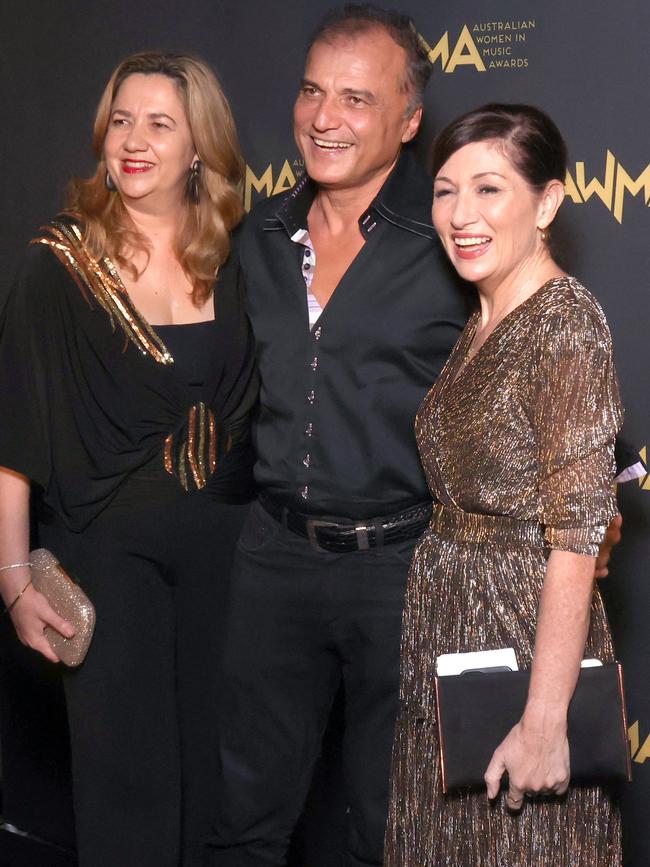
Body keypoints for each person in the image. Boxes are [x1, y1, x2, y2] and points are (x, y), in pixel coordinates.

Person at [207, 7, 470, 866]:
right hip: (272, 557)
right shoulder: (260, 239)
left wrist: (596, 502)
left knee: (381, 825)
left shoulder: (448, 241)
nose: (326, 117)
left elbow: (540, 371)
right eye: (313, 90)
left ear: (408, 118)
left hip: (398, 566)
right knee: (245, 816)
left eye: (357, 98)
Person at [0, 52, 257, 867]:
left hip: (227, 556)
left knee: (215, 800)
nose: (134, 140)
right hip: (107, 558)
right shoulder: (59, 265)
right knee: (127, 800)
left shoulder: (241, 258)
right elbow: (13, 441)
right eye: (120, 120)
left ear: (198, 149)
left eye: (160, 123)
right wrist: (12, 577)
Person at [384, 104, 622, 865]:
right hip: (450, 645)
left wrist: (546, 718)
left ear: (547, 202)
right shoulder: (482, 319)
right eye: (446, 190)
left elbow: (578, 536)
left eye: (489, 190)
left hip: (521, 650)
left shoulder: (565, 326)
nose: (461, 215)